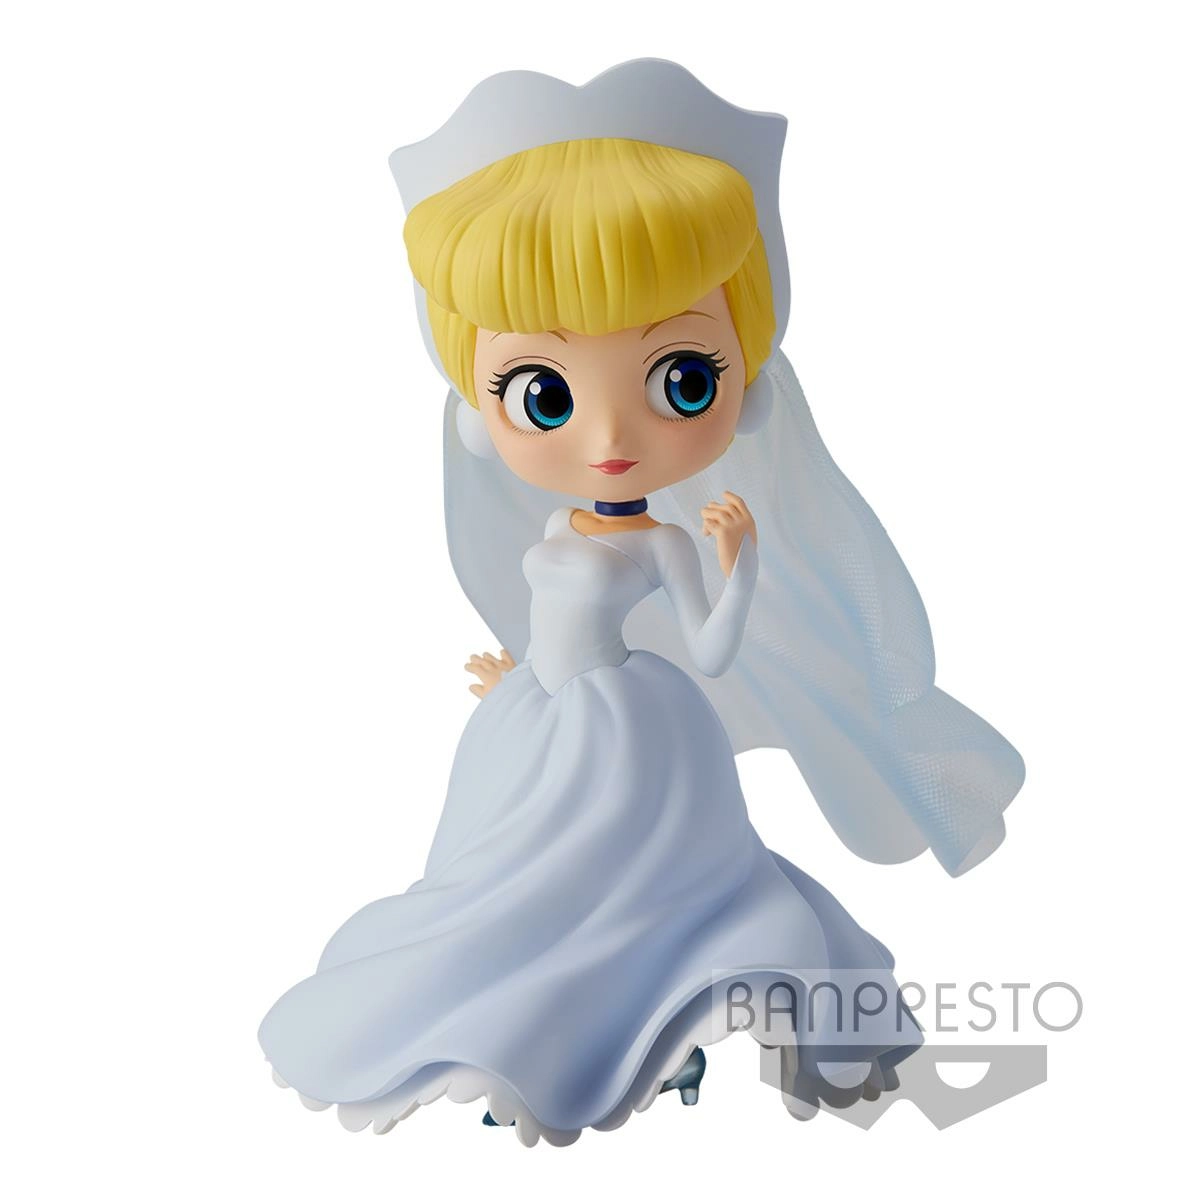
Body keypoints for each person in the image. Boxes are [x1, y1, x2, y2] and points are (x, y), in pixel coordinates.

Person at [258, 60, 1024, 1148]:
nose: (611, 438)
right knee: (507, 885)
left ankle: (647, 1032)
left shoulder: (664, 541)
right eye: (545, 394)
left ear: (743, 386)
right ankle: (533, 1027)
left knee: (643, 896)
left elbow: (710, 651)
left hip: (635, 732)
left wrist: (738, 565)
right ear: (478, 407)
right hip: (534, 717)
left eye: (682, 380)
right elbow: (551, 609)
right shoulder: (559, 530)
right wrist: (514, 672)